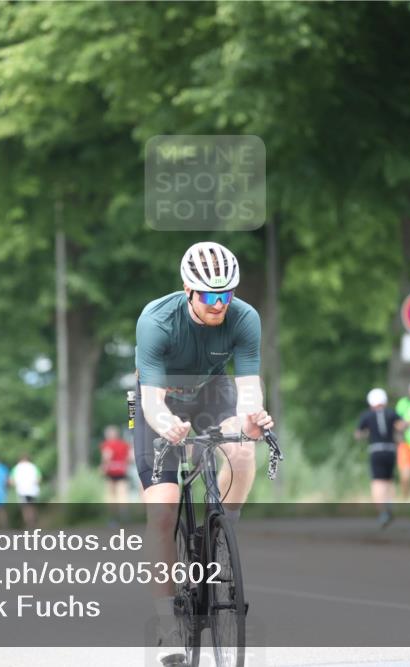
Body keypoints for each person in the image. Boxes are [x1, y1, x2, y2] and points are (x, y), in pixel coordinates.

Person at [134, 241, 274, 662]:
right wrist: (166, 424)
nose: (219, 304)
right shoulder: (156, 321)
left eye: (226, 294)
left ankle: (222, 532)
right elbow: (151, 400)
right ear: (187, 289)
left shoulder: (245, 318)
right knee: (162, 509)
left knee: (243, 450)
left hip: (212, 390)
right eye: (210, 296)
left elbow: (248, 389)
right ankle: (166, 623)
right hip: (161, 399)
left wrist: (250, 421)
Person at [355, 388, 404, 527]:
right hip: (390, 450)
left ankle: (382, 512)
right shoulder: (392, 413)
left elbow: (358, 434)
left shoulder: (367, 415)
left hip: (376, 450)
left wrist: (367, 433)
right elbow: (401, 426)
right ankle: (389, 505)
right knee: (389, 480)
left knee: (377, 482)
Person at [99, 425, 131, 523]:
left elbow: (107, 456)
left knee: (111, 496)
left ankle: (113, 518)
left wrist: (103, 467)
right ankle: (124, 515)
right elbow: (129, 458)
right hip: (122, 471)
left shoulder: (107, 444)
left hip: (111, 472)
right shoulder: (124, 444)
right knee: (122, 495)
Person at [9, 454, 41, 529]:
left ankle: (28, 524)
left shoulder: (17, 467)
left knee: (25, 507)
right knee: (32, 506)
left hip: (22, 491)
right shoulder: (33, 466)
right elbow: (39, 478)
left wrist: (16, 485)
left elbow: (11, 481)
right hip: (33, 490)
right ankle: (33, 523)